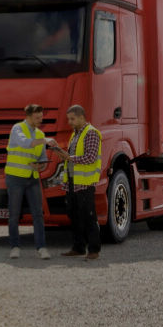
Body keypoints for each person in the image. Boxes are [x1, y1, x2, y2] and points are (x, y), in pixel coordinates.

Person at [4, 104, 59, 260]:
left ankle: (41, 248)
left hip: (33, 178)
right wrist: (45, 140)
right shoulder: (17, 129)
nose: (40, 120)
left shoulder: (40, 133)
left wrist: (40, 165)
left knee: (38, 215)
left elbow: (41, 158)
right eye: (37, 117)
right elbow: (25, 143)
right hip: (15, 177)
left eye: (41, 117)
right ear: (28, 116)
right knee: (14, 215)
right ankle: (15, 247)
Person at [60, 104, 103, 260]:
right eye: (68, 119)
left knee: (88, 216)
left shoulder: (91, 133)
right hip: (72, 182)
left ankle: (94, 250)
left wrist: (69, 158)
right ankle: (78, 248)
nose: (69, 122)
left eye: (72, 119)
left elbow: (90, 157)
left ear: (81, 117)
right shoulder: (75, 134)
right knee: (74, 215)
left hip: (84, 183)